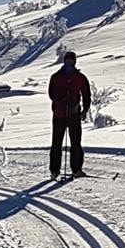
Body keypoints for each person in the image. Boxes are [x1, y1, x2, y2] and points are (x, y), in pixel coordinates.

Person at [48, 48, 91, 178]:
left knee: (76, 143)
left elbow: (86, 95)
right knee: (56, 144)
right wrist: (61, 99)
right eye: (67, 61)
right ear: (64, 61)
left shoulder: (80, 78)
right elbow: (51, 94)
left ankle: (76, 169)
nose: (69, 63)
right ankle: (54, 170)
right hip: (59, 115)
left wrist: (85, 109)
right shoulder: (55, 77)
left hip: (74, 114)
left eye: (71, 61)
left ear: (74, 62)